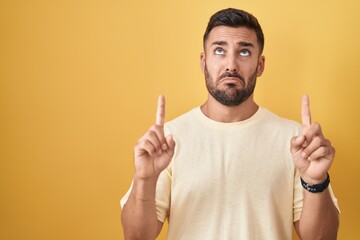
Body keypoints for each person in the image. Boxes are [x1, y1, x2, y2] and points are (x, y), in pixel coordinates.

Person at [120, 8, 340, 240]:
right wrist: (144, 179)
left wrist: (316, 181)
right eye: (219, 50)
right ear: (203, 62)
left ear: (261, 65)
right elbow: (136, 236)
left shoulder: (296, 141)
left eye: (244, 52)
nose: (231, 65)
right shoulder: (168, 140)